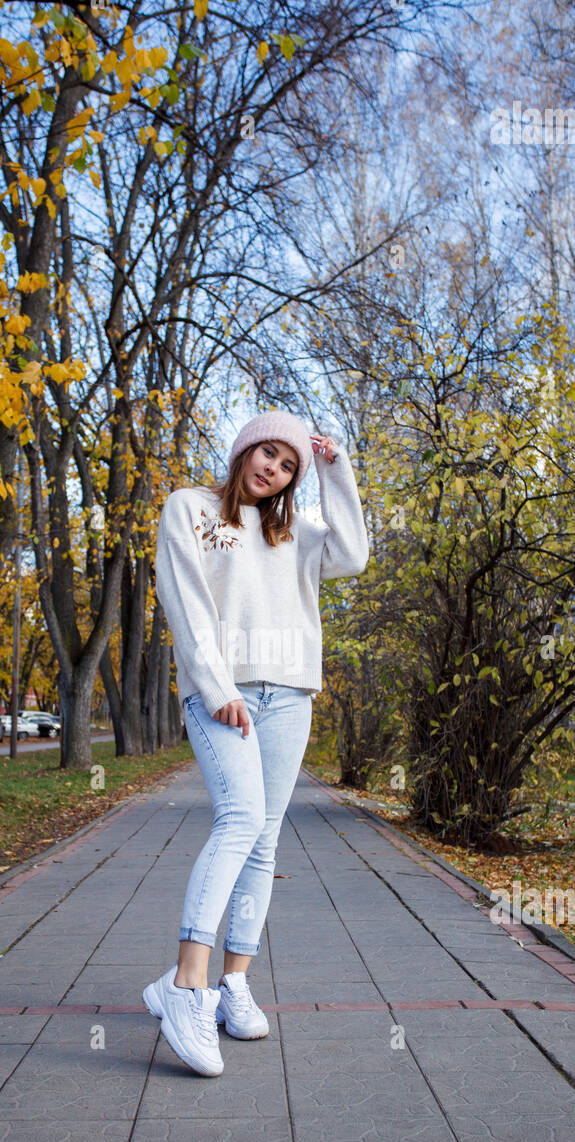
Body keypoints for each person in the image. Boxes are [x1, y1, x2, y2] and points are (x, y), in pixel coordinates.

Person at [143, 409, 369, 1076]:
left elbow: (353, 556)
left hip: (289, 693)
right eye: (268, 453)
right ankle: (188, 986)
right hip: (224, 694)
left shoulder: (294, 531)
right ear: (246, 449)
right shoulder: (191, 508)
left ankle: (233, 983)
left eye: (288, 464)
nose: (273, 468)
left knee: (266, 838)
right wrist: (214, 687)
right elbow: (182, 597)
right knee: (240, 819)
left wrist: (336, 470)